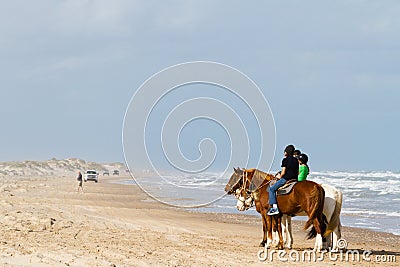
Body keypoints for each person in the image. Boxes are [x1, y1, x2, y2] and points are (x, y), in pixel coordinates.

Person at [267, 145, 299, 215]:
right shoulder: (296, 160)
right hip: (295, 180)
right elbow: (298, 172)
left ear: (286, 152)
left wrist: (279, 177)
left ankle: (274, 208)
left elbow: (283, 172)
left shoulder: (285, 160)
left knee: (272, 189)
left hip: (286, 179)